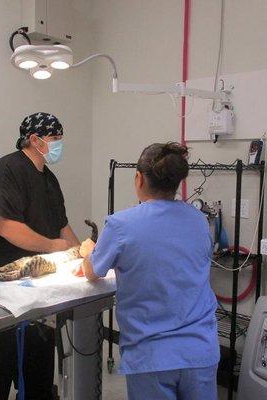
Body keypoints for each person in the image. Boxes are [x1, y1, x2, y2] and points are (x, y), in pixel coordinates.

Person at [77, 142, 220, 400]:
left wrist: (87, 251)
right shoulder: (199, 221)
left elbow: (93, 272)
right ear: (176, 182)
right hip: (200, 351)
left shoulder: (121, 224)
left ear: (138, 178)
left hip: (153, 355)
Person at [0, 112, 80, 400]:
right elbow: (6, 226)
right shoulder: (7, 170)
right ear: (34, 140)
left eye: (61, 139)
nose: (59, 144)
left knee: (37, 362)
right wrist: (54, 247)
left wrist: (82, 254)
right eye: (54, 139)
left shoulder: (49, 179)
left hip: (30, 282)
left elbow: (61, 226)